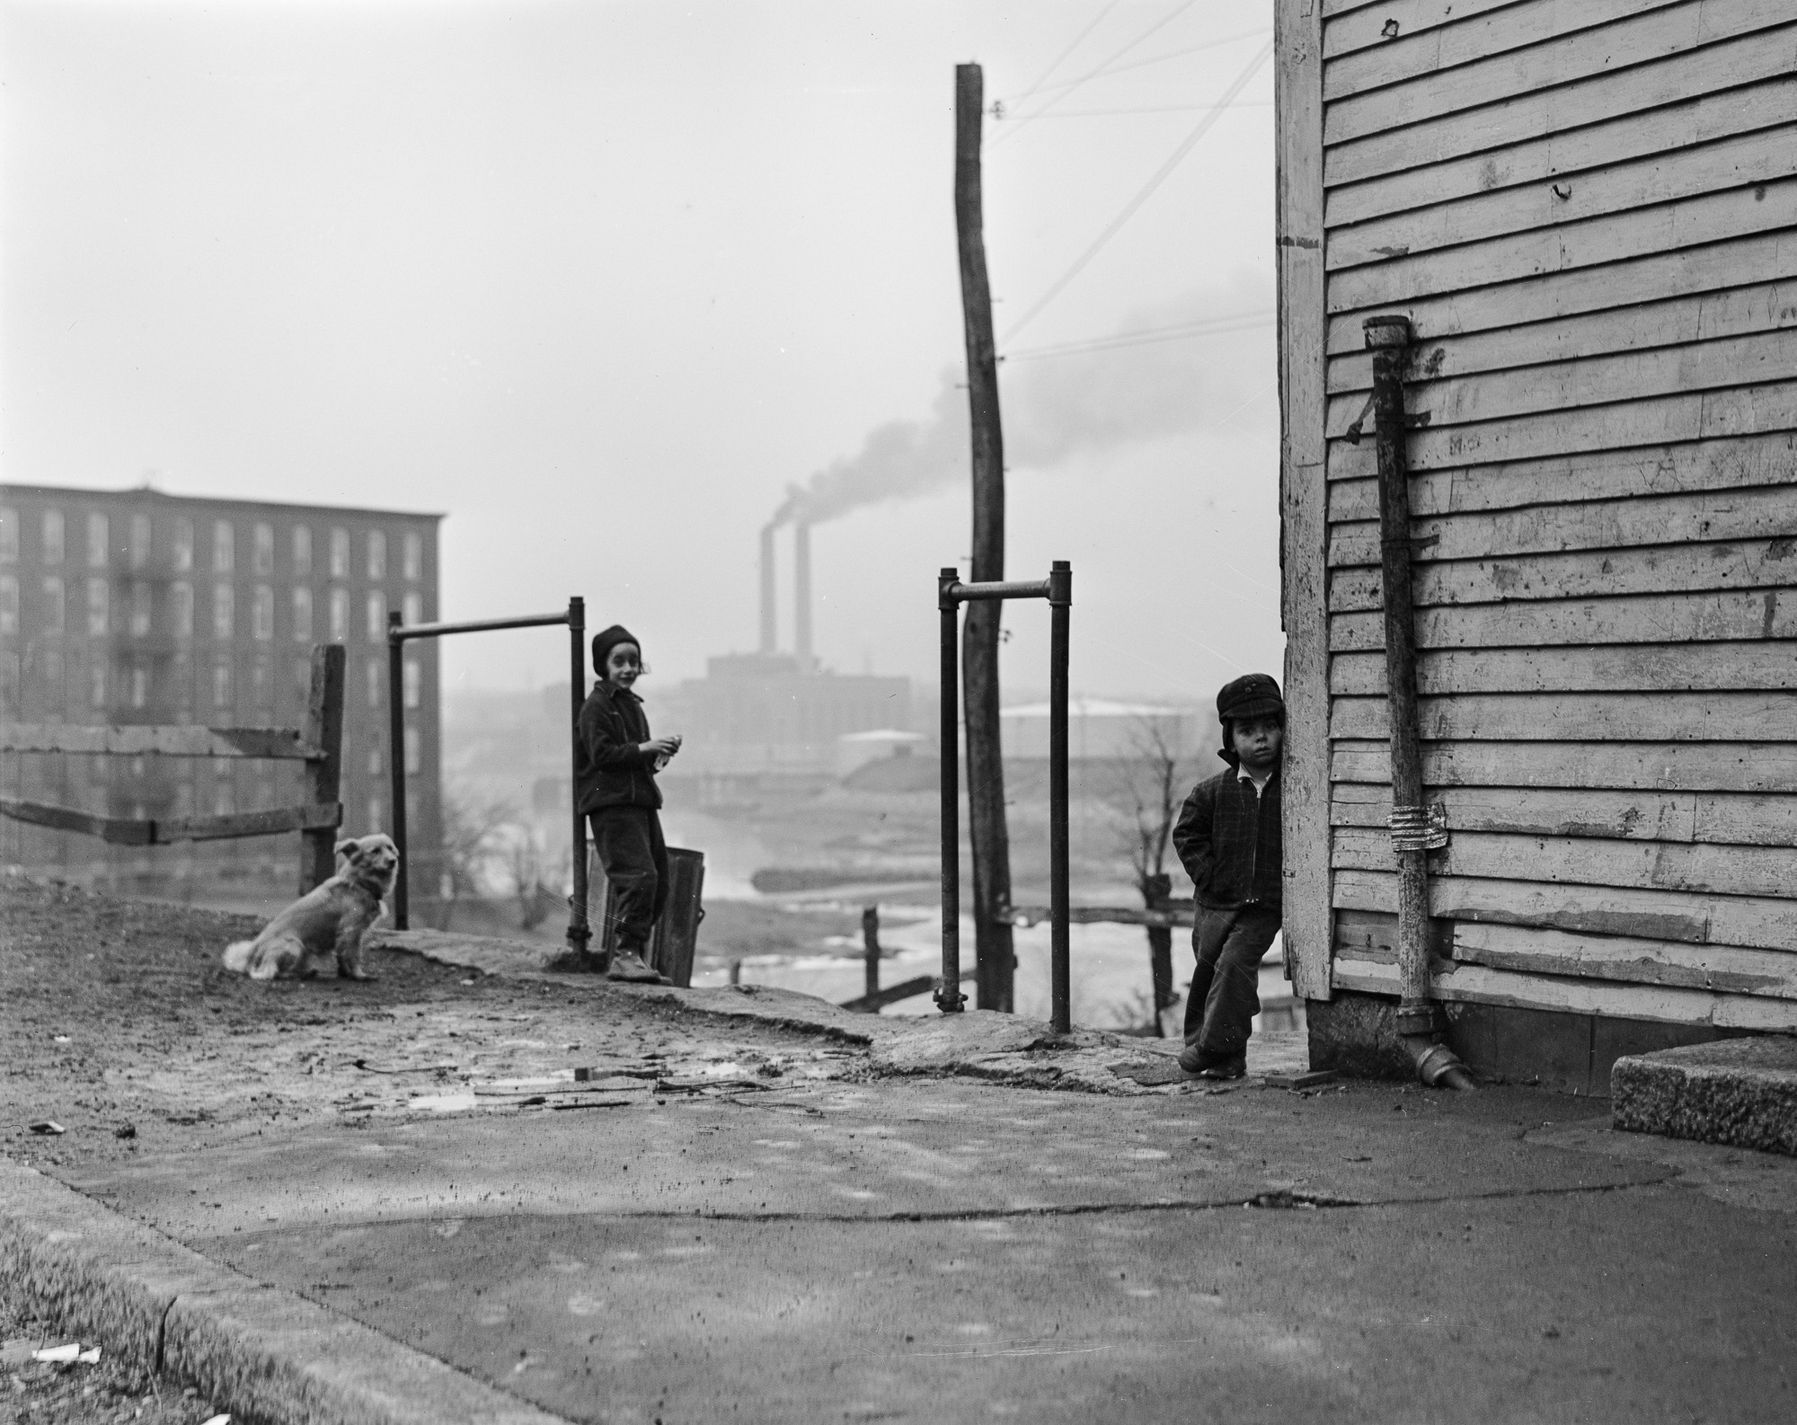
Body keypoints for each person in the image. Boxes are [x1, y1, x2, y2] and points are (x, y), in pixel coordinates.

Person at [1170, 672, 1284, 1080]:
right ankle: (1226, 1058)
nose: (1261, 738)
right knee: (1208, 969)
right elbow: (1187, 835)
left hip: (1265, 904)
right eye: (1247, 731)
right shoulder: (1211, 792)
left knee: (1234, 965)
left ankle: (1209, 1046)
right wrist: (1208, 875)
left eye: (1269, 726)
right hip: (1216, 902)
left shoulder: (1295, 789)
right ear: (1230, 740)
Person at [575, 624, 682, 983]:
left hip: (640, 803)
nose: (628, 669)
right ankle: (624, 954)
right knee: (639, 879)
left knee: (658, 883)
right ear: (603, 666)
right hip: (612, 805)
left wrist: (658, 754)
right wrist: (645, 748)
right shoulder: (596, 707)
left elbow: (636, 761)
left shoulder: (631, 706)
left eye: (633, 662)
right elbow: (603, 756)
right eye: (619, 662)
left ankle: (633, 954)